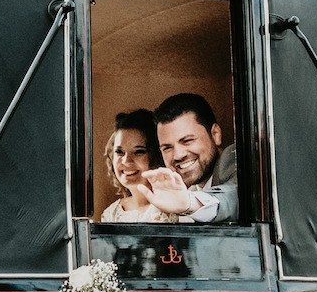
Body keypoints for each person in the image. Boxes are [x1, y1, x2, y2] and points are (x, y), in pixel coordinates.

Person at [140, 92, 239, 223]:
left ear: (216, 134)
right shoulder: (184, 190)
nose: (178, 155)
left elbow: (235, 196)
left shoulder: (234, 158)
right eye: (167, 148)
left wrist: (191, 204)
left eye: (187, 141)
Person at [99, 109, 173, 223]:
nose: (126, 161)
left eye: (139, 152)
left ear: (157, 155)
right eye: (119, 152)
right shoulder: (111, 214)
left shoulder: (174, 208)